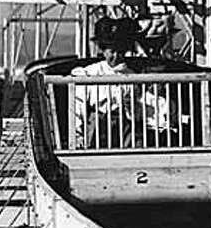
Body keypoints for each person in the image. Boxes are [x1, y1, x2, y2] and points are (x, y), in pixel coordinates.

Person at [70, 17, 171, 148]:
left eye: (120, 51)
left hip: (125, 127)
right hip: (99, 127)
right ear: (103, 50)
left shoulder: (130, 76)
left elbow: (139, 111)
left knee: (137, 140)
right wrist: (77, 134)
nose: (116, 56)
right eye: (112, 51)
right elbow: (78, 106)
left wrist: (131, 107)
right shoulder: (89, 73)